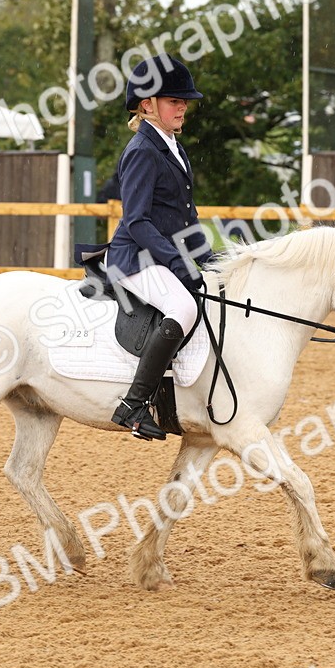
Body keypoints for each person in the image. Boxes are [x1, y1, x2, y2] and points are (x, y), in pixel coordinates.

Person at [106, 54, 214, 440]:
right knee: (183, 306)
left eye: (184, 100)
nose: (183, 105)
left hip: (161, 255)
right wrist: (180, 263)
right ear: (147, 105)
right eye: (174, 100)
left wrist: (207, 257)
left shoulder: (173, 147)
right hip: (134, 258)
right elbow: (136, 221)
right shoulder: (141, 150)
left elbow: (185, 217)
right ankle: (133, 404)